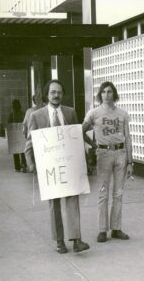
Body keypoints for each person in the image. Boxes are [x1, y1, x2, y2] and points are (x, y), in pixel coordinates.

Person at [25, 79, 90, 254]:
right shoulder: (36, 116)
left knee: (73, 202)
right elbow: (29, 143)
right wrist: (31, 163)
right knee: (54, 205)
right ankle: (60, 241)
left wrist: (84, 161)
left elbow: (77, 138)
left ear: (63, 94)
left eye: (59, 92)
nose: (56, 95)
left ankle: (77, 240)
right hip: (50, 169)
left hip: (69, 166)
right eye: (53, 92)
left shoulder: (70, 112)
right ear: (47, 95)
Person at [82, 81, 133, 243]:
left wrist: (130, 162)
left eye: (109, 92)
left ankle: (116, 229)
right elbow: (80, 131)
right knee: (103, 193)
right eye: (103, 92)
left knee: (118, 193)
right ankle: (102, 230)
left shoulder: (122, 114)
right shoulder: (94, 113)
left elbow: (128, 138)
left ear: (114, 94)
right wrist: (93, 144)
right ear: (100, 94)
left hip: (120, 153)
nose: (106, 95)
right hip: (103, 153)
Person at [8, 99, 27, 172]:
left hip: (14, 134)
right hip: (22, 133)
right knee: (22, 150)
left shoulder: (11, 114)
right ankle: (24, 165)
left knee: (15, 151)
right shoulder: (23, 113)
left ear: (12, 106)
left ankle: (17, 167)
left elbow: (9, 124)